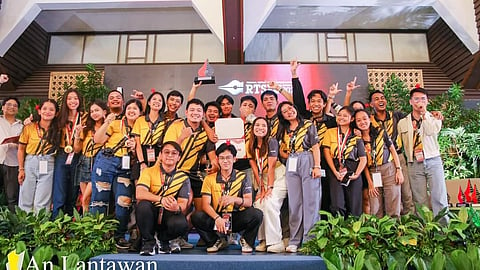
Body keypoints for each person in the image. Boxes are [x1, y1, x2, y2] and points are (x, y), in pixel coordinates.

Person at [191, 143, 263, 253]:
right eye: (222, 158)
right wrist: (217, 218)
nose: (225, 161)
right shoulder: (209, 179)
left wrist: (233, 199)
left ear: (234, 159)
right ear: (217, 159)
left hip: (236, 217)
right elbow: (205, 205)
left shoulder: (243, 176)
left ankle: (247, 241)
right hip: (217, 217)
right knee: (197, 216)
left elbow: (248, 202)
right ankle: (215, 241)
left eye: (228, 158)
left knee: (257, 214)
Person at [91, 99, 141, 251]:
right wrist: (106, 122)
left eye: (135, 109)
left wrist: (133, 148)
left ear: (140, 113)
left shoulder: (141, 127)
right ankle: (97, 236)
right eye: (129, 108)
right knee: (100, 200)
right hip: (106, 161)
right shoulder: (115, 123)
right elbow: (97, 140)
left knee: (124, 202)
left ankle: (119, 236)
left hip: (125, 167)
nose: (131, 110)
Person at [397, 87, 449, 223]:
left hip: (433, 160)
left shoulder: (435, 118)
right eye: (416, 99)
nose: (419, 101)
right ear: (410, 102)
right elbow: (400, 144)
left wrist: (424, 114)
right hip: (414, 162)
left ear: (427, 101)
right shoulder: (403, 122)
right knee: (419, 199)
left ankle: (444, 232)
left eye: (423, 99)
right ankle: (424, 231)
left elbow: (431, 131)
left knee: (439, 197)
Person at [276, 101, 321, 253]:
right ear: (282, 116)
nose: (289, 112)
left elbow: (315, 146)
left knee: (311, 202)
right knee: (294, 203)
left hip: (308, 158)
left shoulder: (308, 124)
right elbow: (281, 150)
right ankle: (295, 240)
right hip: (292, 161)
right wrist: (287, 155)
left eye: (290, 108)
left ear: (295, 109)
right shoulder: (284, 129)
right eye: (284, 111)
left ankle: (310, 240)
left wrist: (317, 166)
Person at [136, 141, 191, 255]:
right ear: (160, 155)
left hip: (168, 213)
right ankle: (148, 242)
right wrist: (160, 199)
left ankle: (163, 240)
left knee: (181, 223)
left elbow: (183, 203)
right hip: (152, 212)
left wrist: (177, 207)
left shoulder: (183, 177)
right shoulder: (148, 172)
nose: (170, 155)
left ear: (179, 157)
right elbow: (139, 193)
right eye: (166, 152)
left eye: (174, 153)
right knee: (143, 206)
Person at [369, 90, 414, 215]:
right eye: (376, 99)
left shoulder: (397, 116)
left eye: (382, 98)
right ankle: (385, 227)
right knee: (383, 194)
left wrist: (431, 114)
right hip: (380, 160)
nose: (380, 100)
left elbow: (414, 117)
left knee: (406, 192)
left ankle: (410, 223)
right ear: (371, 104)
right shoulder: (369, 120)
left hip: (398, 157)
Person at [355, 109, 404, 217]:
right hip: (373, 172)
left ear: (370, 119)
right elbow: (363, 164)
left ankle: (393, 232)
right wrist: (370, 183)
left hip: (389, 169)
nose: (362, 122)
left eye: (364, 119)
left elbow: (393, 150)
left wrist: (398, 169)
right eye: (359, 120)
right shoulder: (357, 139)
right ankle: (378, 232)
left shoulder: (381, 132)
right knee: (376, 207)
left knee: (393, 203)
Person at [248, 117, 286, 253]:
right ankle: (264, 240)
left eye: (263, 125)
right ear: (253, 128)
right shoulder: (250, 144)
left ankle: (277, 241)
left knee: (270, 202)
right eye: (257, 125)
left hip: (278, 176)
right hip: (262, 179)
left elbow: (271, 167)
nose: (260, 128)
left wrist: (269, 188)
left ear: (268, 129)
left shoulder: (272, 141)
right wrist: (260, 189)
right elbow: (255, 169)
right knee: (259, 203)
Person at [323, 106, 367, 217]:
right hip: (335, 169)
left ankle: (354, 232)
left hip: (353, 169)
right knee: (337, 204)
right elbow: (327, 153)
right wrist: (334, 171)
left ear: (352, 119)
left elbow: (363, 158)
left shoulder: (356, 135)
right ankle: (339, 230)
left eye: (345, 116)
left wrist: (357, 174)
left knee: (354, 203)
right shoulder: (330, 132)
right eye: (339, 115)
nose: (341, 118)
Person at [17, 99, 59, 213]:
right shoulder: (29, 127)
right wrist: (21, 169)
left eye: (51, 109)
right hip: (30, 161)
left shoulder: (58, 130)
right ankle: (24, 226)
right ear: (39, 111)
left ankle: (40, 227)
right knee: (26, 195)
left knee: (43, 198)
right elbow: (21, 149)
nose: (47, 112)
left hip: (48, 161)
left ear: (56, 113)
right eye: (44, 109)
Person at [52, 89, 84, 217]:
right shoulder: (59, 116)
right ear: (65, 100)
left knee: (73, 189)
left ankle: (70, 220)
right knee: (60, 189)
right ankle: (56, 221)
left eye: (75, 98)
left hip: (77, 155)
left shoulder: (84, 117)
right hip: (62, 154)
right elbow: (44, 119)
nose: (73, 101)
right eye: (70, 98)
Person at [73, 100, 108, 214]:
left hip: (98, 162)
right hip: (84, 162)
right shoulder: (87, 128)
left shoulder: (108, 127)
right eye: (92, 111)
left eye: (97, 110)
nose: (94, 113)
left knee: (88, 198)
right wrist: (77, 134)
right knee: (85, 199)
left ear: (104, 111)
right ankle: (86, 222)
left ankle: (89, 223)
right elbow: (77, 149)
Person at [133, 91, 167, 169]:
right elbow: (137, 143)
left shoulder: (165, 122)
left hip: (158, 156)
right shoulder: (140, 120)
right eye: (154, 99)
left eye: (160, 100)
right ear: (149, 102)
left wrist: (159, 162)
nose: (157, 102)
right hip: (141, 155)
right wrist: (142, 162)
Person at [0, 97, 23, 211]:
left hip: (13, 163)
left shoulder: (22, 126)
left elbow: (24, 145)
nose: (12, 107)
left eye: (15, 105)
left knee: (12, 197)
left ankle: (11, 225)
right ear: (3, 107)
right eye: (9, 104)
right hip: (0, 158)